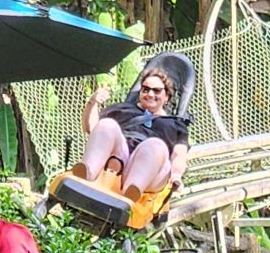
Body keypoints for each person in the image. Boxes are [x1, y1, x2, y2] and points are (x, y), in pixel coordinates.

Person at [73, 66, 190, 202]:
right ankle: (87, 172)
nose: (150, 94)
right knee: (107, 125)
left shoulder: (176, 125)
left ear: (167, 96)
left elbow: (179, 154)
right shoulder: (122, 109)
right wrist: (92, 103)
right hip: (119, 156)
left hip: (153, 170)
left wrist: (176, 176)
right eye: (145, 89)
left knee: (154, 145)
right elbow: (93, 129)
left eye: (156, 91)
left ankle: (132, 190)